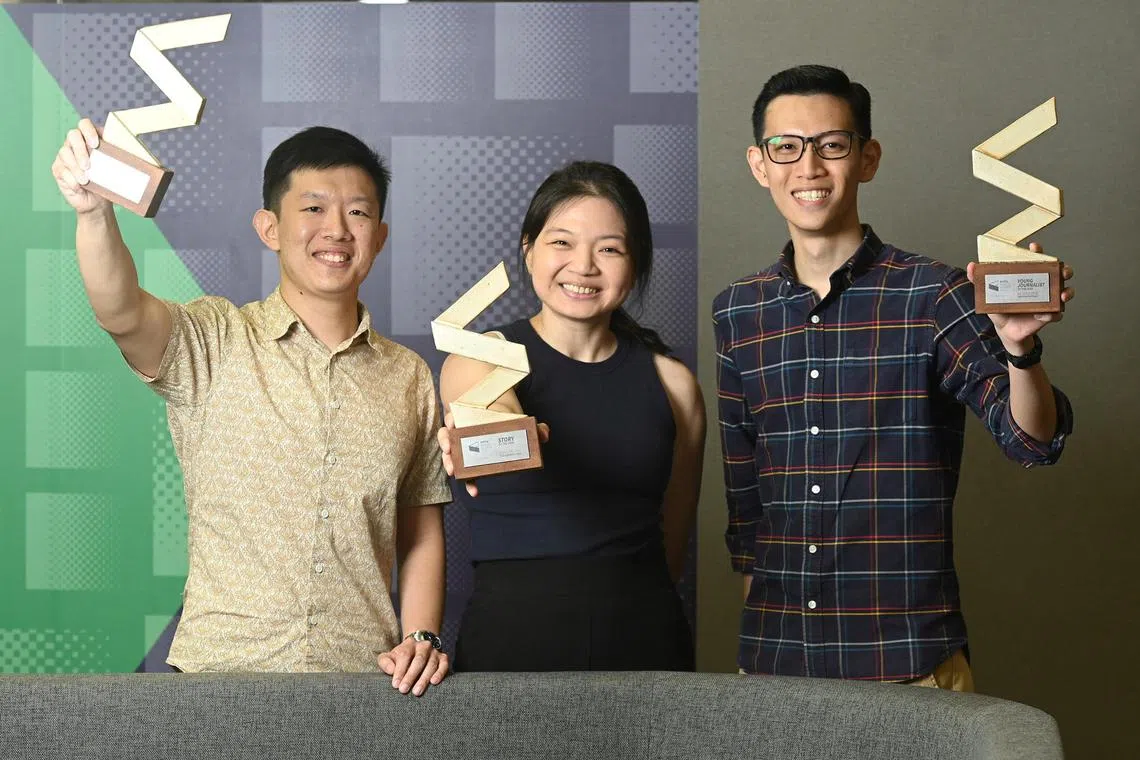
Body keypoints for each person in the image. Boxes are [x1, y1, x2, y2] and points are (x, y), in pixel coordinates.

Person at [52, 120, 451, 693]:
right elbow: (121, 312)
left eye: (358, 213)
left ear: (380, 236)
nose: (336, 229)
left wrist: (423, 636)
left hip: (365, 679)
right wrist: (93, 214)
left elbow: (420, 525)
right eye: (312, 209)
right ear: (269, 228)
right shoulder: (213, 339)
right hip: (221, 675)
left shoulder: (409, 377)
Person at [713, 65, 1074, 689]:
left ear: (867, 157)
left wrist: (1021, 350)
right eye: (786, 148)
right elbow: (746, 500)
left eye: (832, 145)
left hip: (907, 664)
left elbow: (1030, 441)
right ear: (759, 163)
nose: (809, 167)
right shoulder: (738, 311)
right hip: (776, 667)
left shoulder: (934, 294)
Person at [437, 161, 705, 671]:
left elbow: (674, 541)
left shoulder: (675, 384)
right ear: (528, 250)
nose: (583, 266)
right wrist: (510, 438)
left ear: (636, 263)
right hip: (513, 638)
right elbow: (497, 429)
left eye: (609, 248)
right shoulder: (480, 356)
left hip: (645, 639)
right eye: (562, 243)